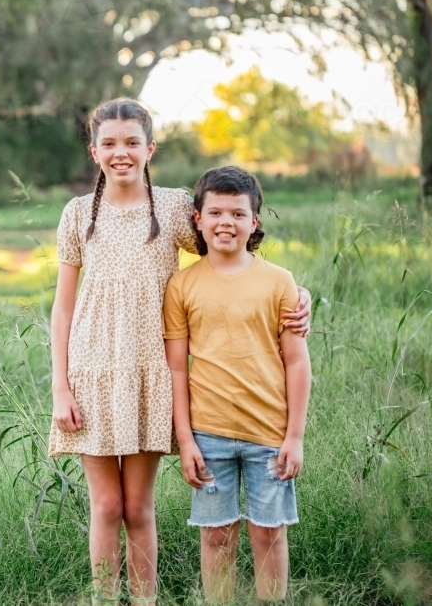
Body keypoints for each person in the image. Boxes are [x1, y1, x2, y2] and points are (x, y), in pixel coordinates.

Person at [49, 100, 311, 605]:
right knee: (105, 506)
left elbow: (228, 247)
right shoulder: (78, 214)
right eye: (109, 143)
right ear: (94, 151)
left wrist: (296, 298)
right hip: (93, 373)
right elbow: (62, 309)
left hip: (151, 372)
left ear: (150, 149)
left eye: (131, 143)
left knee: (137, 506)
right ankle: (106, 600)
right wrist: (61, 386)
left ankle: (144, 601)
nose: (120, 153)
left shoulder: (170, 207)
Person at [163, 166, 312, 603]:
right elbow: (177, 369)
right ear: (198, 219)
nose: (225, 222)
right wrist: (185, 440)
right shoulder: (182, 285)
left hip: (269, 433)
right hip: (208, 434)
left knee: (269, 535)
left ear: (255, 222)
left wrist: (295, 437)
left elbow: (298, 362)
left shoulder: (279, 281)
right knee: (216, 540)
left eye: (237, 213)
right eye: (215, 212)